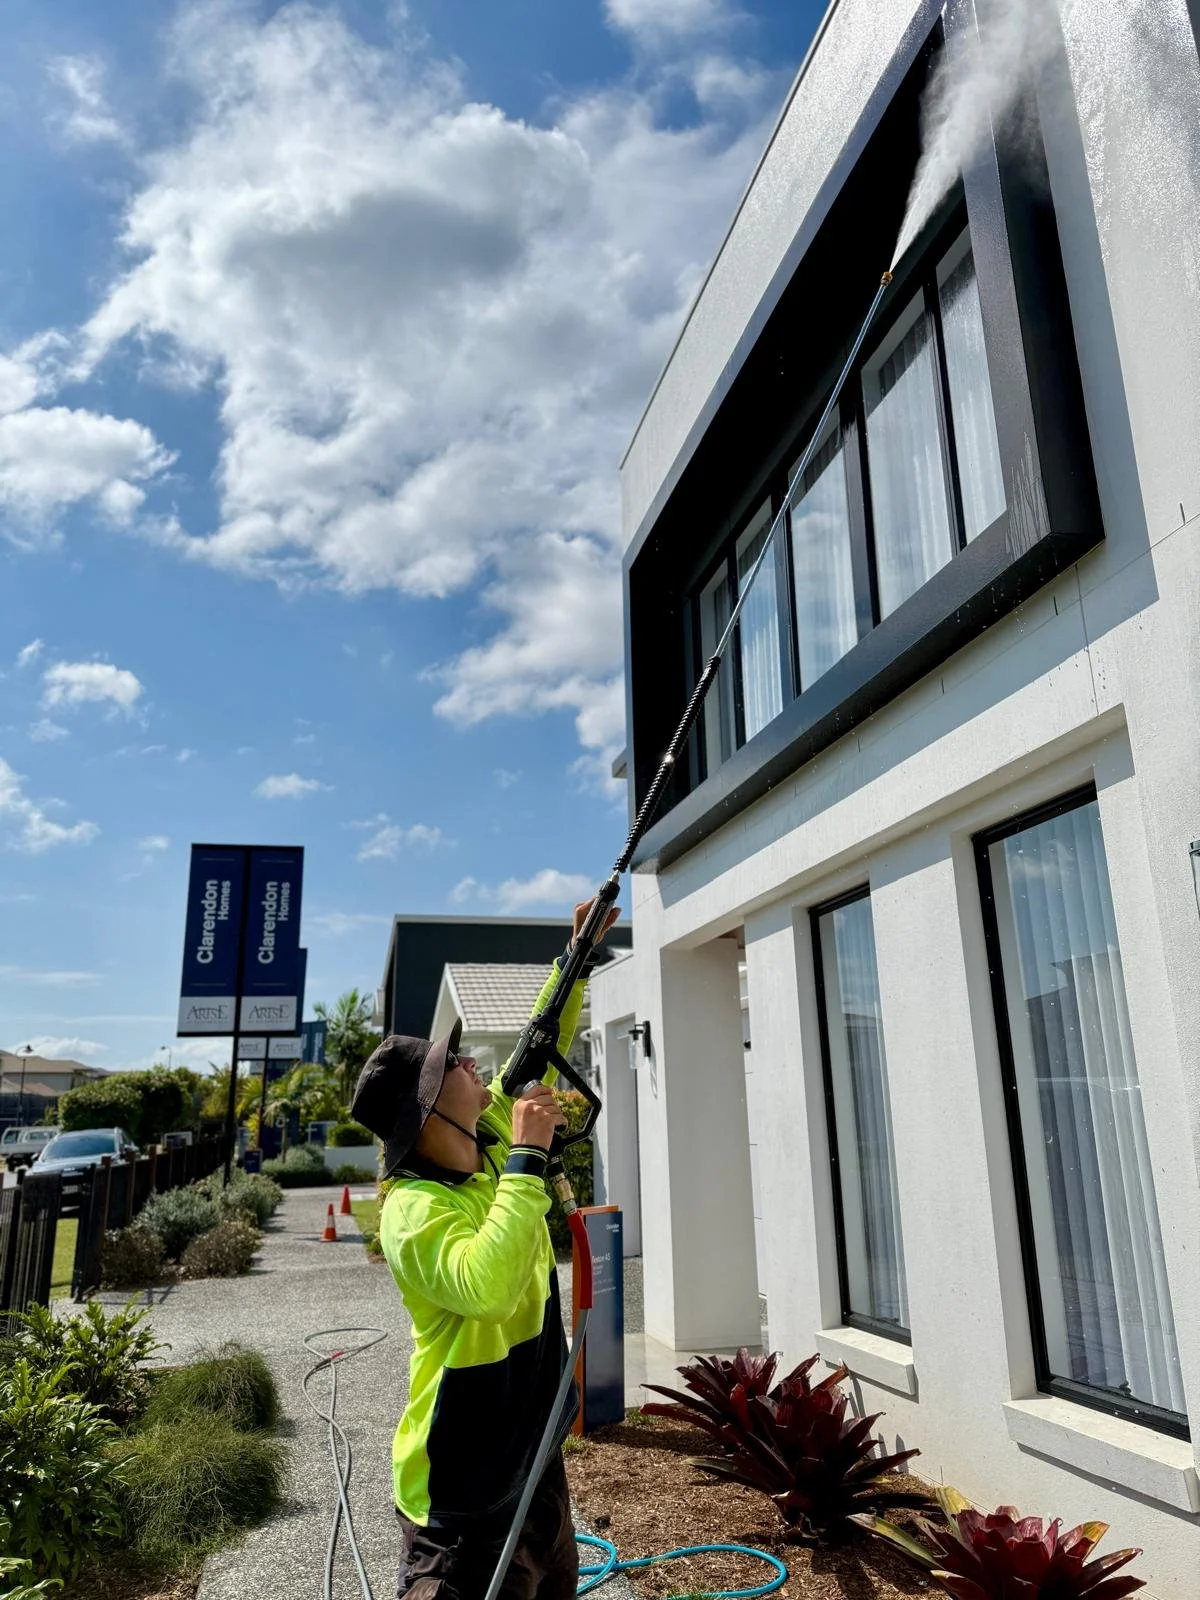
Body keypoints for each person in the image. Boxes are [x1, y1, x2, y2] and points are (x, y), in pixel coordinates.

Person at [350, 897, 620, 1600]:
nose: (474, 1064)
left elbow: (537, 1042)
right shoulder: (413, 1210)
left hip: (533, 1464)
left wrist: (576, 956)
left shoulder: (489, 1137)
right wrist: (530, 1155)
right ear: (429, 1110)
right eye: (453, 1066)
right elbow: (486, 1285)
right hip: (459, 1495)